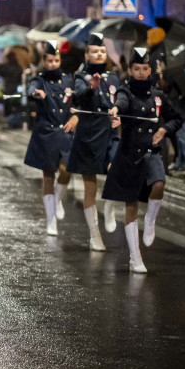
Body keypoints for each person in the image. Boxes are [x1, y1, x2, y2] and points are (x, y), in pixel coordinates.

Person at [104, 47, 183, 273]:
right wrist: (116, 111)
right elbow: (121, 102)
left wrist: (164, 130)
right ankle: (135, 257)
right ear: (129, 70)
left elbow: (177, 118)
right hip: (130, 154)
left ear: (150, 70)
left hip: (152, 152)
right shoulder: (125, 91)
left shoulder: (157, 95)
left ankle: (150, 221)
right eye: (136, 69)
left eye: (144, 69)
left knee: (159, 184)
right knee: (131, 205)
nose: (140, 72)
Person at [64, 33, 120, 248]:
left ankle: (110, 206)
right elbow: (78, 95)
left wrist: (118, 112)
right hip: (88, 135)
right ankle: (94, 234)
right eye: (95, 51)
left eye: (103, 51)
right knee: (90, 187)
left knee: (115, 169)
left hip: (108, 133)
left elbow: (121, 98)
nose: (99, 54)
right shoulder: (80, 77)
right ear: (87, 55)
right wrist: (90, 87)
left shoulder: (113, 77)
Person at [23, 41, 74, 237]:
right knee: (48, 176)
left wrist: (76, 117)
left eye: (56, 60)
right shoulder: (39, 79)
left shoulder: (68, 80)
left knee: (66, 170)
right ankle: (51, 220)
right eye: (50, 60)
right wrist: (36, 93)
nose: (53, 63)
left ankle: (58, 199)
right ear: (44, 61)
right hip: (46, 132)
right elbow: (31, 88)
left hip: (64, 132)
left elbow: (76, 102)